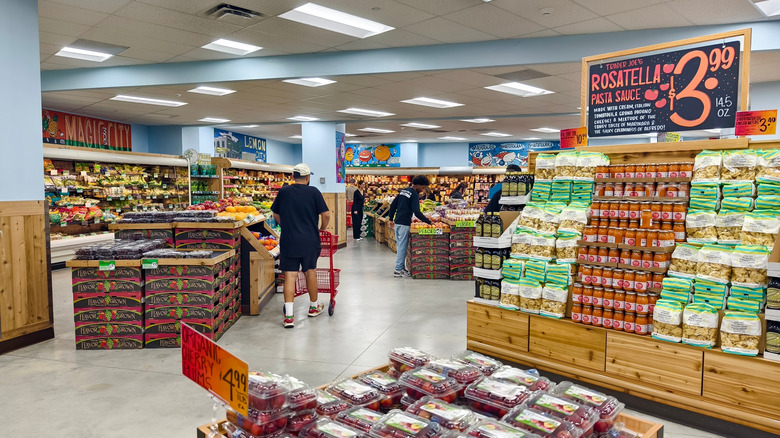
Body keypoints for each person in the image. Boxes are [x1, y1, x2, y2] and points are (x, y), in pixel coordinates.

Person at [271, 163, 331, 328]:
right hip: (309, 239)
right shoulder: (314, 192)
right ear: (307, 177)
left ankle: (289, 317)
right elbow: (326, 215)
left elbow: (275, 213)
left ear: (292, 177)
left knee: (290, 275)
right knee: (310, 271)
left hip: (289, 239)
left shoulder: (284, 192)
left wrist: (286, 225)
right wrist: (322, 229)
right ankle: (313, 307)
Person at [387, 175, 432, 277]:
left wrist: (390, 218)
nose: (423, 190)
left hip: (398, 221)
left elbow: (393, 205)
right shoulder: (414, 194)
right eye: (423, 187)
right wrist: (428, 221)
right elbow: (417, 211)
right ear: (418, 185)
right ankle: (398, 270)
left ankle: (402, 268)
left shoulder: (404, 191)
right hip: (404, 223)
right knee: (402, 247)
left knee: (400, 246)